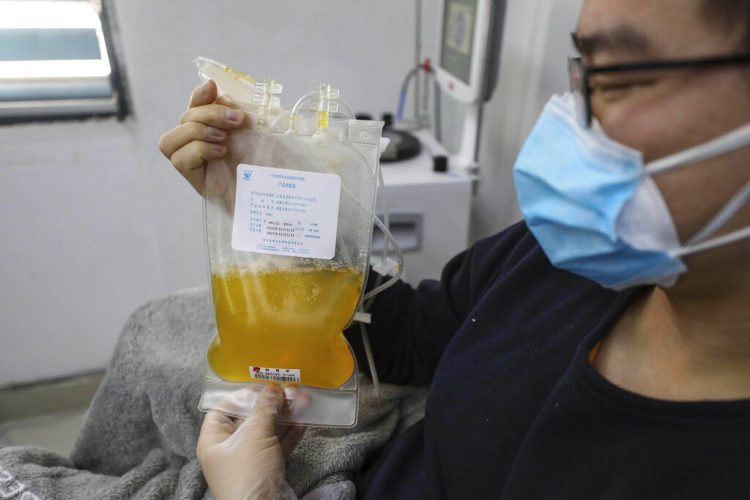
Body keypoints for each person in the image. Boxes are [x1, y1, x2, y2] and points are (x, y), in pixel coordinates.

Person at [159, 0, 750, 497]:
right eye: (580, 74)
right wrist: (270, 206)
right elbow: (412, 338)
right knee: (155, 330)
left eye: (619, 75)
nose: (571, 120)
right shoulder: (557, 260)